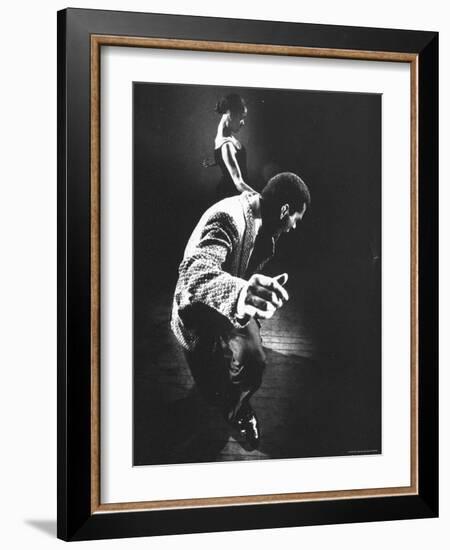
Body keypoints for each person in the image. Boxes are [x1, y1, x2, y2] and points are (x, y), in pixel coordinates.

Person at [171, 172, 310, 448]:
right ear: (285, 210)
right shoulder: (227, 217)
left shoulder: (264, 216)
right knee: (209, 388)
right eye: (295, 218)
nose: (293, 227)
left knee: (253, 360)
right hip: (198, 312)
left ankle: (238, 411)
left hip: (231, 307)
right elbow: (195, 270)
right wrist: (242, 293)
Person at [204, 93, 256, 198]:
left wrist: (217, 161)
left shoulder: (223, 139)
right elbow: (239, 183)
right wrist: (261, 198)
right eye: (241, 117)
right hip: (234, 195)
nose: (243, 123)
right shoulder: (226, 145)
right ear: (230, 113)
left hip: (238, 192)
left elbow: (228, 158)